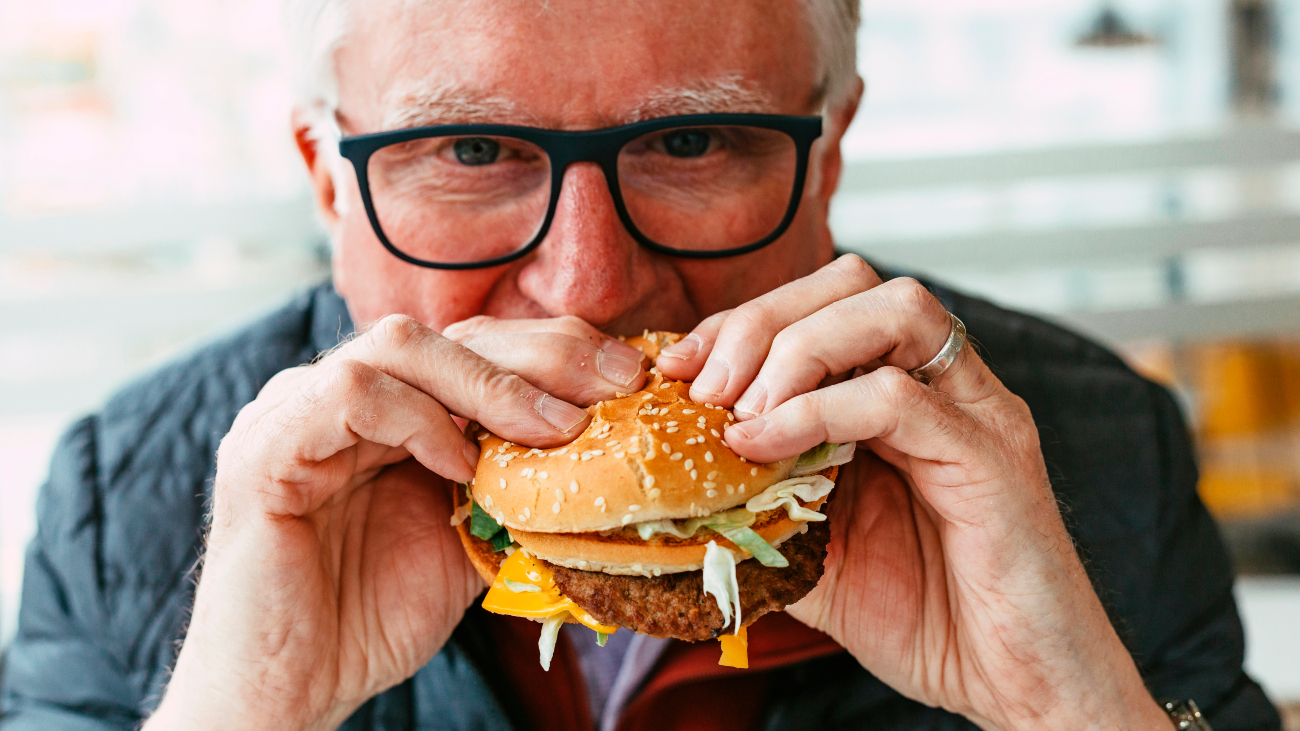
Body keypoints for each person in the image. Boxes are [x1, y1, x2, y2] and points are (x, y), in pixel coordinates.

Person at [0, 1, 1282, 729]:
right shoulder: (129, 495)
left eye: (698, 141)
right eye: (469, 155)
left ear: (827, 156)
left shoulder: (1086, 450)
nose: (590, 286)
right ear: (324, 179)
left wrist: (1071, 711)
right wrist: (249, 703)